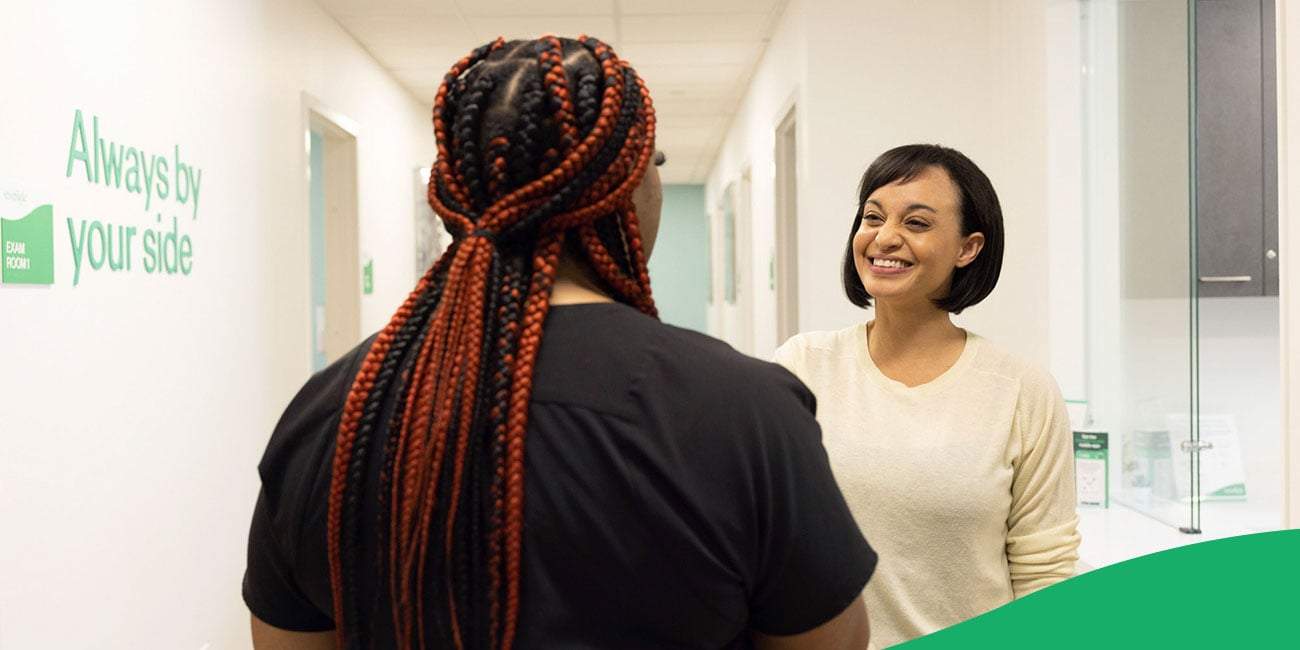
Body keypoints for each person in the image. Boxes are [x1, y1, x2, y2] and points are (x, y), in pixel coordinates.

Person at [244, 35, 876, 650]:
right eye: (654, 163)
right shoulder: (745, 412)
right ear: (626, 187)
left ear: (453, 198)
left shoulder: (335, 414)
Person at [774, 144, 1080, 648]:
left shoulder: (1023, 391)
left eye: (916, 223)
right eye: (872, 217)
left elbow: (1044, 574)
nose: (884, 237)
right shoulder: (802, 367)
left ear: (969, 248)